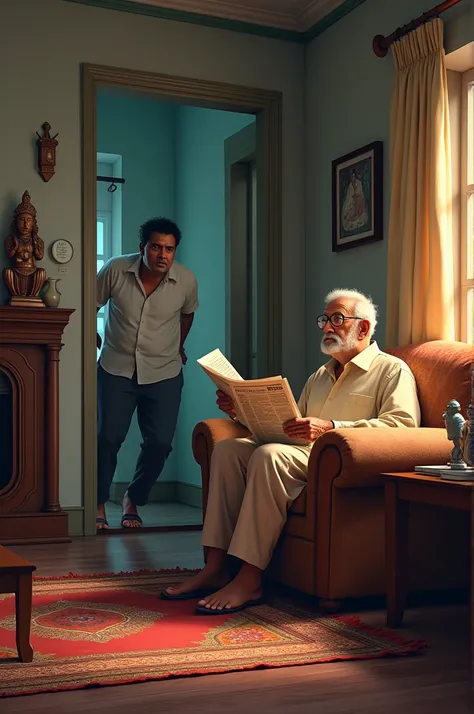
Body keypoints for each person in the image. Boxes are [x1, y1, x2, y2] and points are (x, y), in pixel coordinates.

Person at [162, 288, 420, 614]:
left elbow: (403, 428)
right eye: (324, 320)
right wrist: (239, 411)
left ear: (364, 328)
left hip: (338, 461)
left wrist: (330, 426)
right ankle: (215, 567)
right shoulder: (320, 376)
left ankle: (250, 578)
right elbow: (290, 425)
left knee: (269, 456)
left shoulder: (392, 371)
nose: (327, 327)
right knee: (229, 451)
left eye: (337, 319)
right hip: (303, 454)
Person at [96, 217, 198, 530]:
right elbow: (90, 303)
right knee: (108, 438)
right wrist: (93, 337)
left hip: (164, 372)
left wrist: (178, 346)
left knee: (160, 443)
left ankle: (133, 498)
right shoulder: (115, 270)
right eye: (156, 247)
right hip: (116, 368)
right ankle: (98, 504)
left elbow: (187, 315)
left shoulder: (186, 280)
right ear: (143, 248)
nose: (162, 255)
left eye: (169, 249)